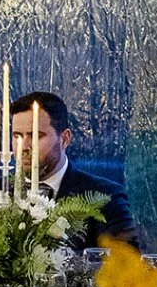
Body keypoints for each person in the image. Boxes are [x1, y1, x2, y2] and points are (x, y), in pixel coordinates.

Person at [11, 91, 138, 246]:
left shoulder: (105, 197)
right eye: (17, 136)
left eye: (36, 136)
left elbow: (127, 258)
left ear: (65, 139)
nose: (24, 147)